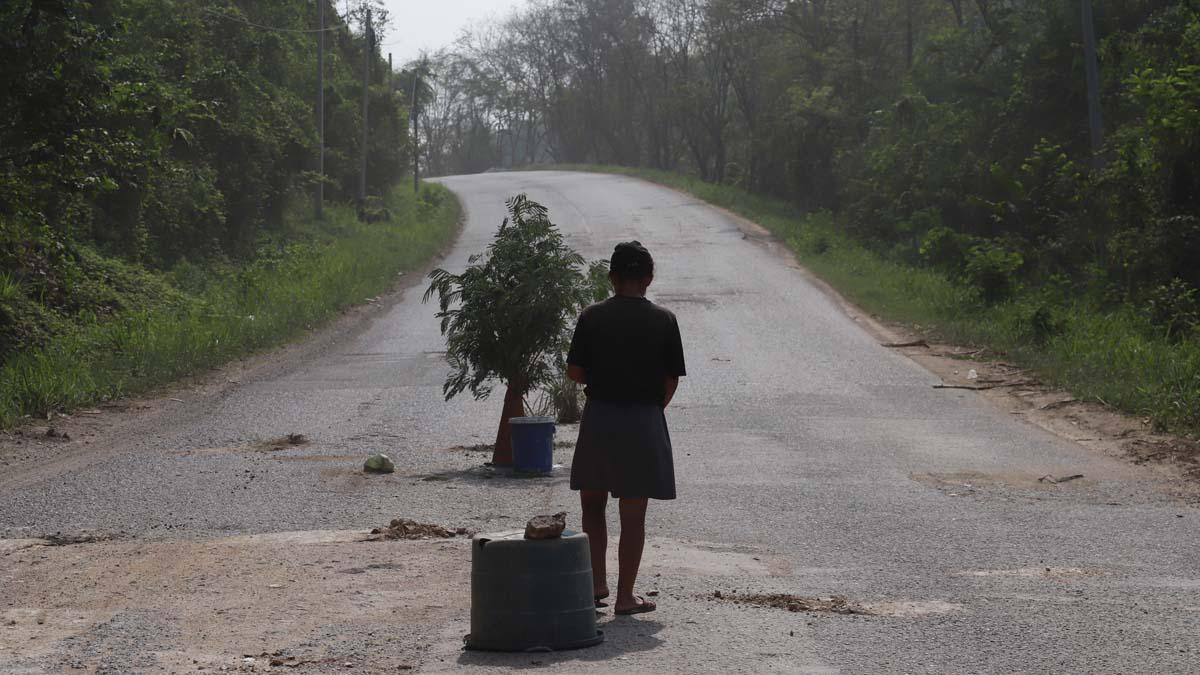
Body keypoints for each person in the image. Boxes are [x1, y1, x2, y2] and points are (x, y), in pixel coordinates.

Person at [566, 241, 686, 616]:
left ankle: (595, 585)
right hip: (643, 422)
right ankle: (624, 597)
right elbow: (671, 380)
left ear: (611, 277)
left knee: (592, 505)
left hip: (600, 417)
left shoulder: (591, 316)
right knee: (633, 515)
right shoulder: (664, 319)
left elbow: (575, 372)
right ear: (648, 279)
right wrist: (648, 410)